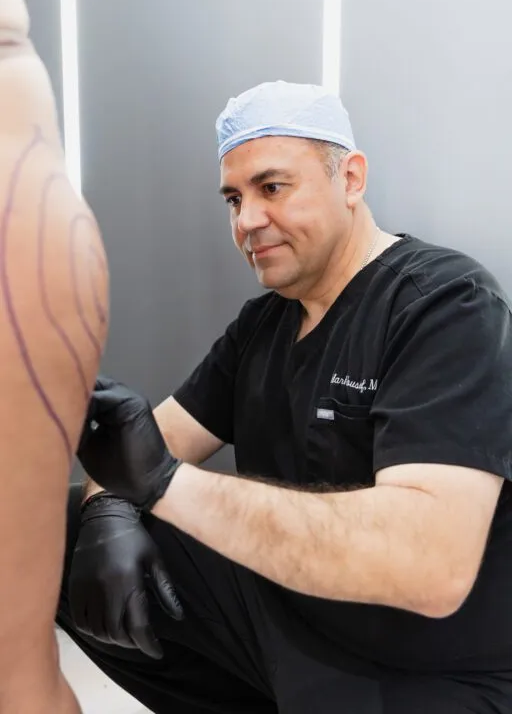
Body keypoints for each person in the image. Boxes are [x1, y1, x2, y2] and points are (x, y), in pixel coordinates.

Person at [60, 79, 512, 714]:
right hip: (288, 627)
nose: (246, 221)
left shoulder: (447, 305)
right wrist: (107, 512)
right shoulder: (262, 325)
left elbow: (428, 566)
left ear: (350, 179)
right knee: (61, 527)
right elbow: (135, 453)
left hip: (422, 670)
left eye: (273, 188)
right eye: (233, 199)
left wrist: (162, 485)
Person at [0, 0, 110, 712]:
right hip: (25, 174)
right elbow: (173, 428)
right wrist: (108, 504)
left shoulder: (442, 300)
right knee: (17, 670)